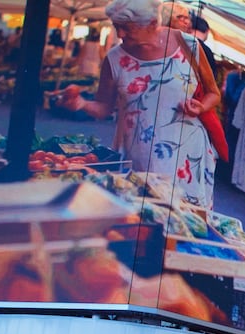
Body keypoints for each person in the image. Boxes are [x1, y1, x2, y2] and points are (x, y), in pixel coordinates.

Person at [56, 0, 217, 208]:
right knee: (143, 219)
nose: (120, 34)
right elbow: (104, 107)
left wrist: (201, 106)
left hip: (186, 156)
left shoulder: (189, 45)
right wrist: (79, 103)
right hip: (139, 156)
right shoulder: (114, 58)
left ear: (152, 23)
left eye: (127, 27)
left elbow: (213, 93)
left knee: (184, 224)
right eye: (116, 26)